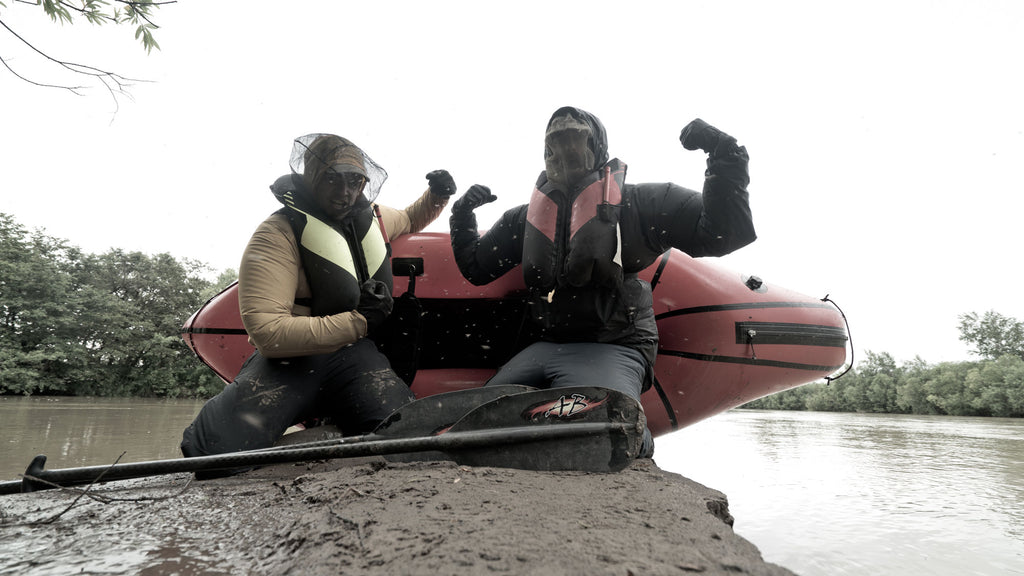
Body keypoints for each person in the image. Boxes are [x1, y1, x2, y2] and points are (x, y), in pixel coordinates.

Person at [448, 107, 756, 457]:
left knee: (600, 423)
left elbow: (721, 233)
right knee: (478, 417)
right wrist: (462, 216)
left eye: (575, 141)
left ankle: (638, 437)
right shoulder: (525, 218)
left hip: (617, 344)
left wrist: (723, 154)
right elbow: (476, 268)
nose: (564, 152)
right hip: (547, 345)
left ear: (597, 148)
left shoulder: (639, 204)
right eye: (555, 144)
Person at [181, 133, 457, 463]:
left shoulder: (375, 217)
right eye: (332, 179)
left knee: (413, 446)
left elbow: (412, 217)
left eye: (355, 180)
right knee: (211, 453)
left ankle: (338, 423)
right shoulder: (277, 234)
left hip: (355, 358)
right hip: (291, 360)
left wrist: (438, 196)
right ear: (312, 178)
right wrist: (359, 321)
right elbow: (268, 334)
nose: (345, 192)